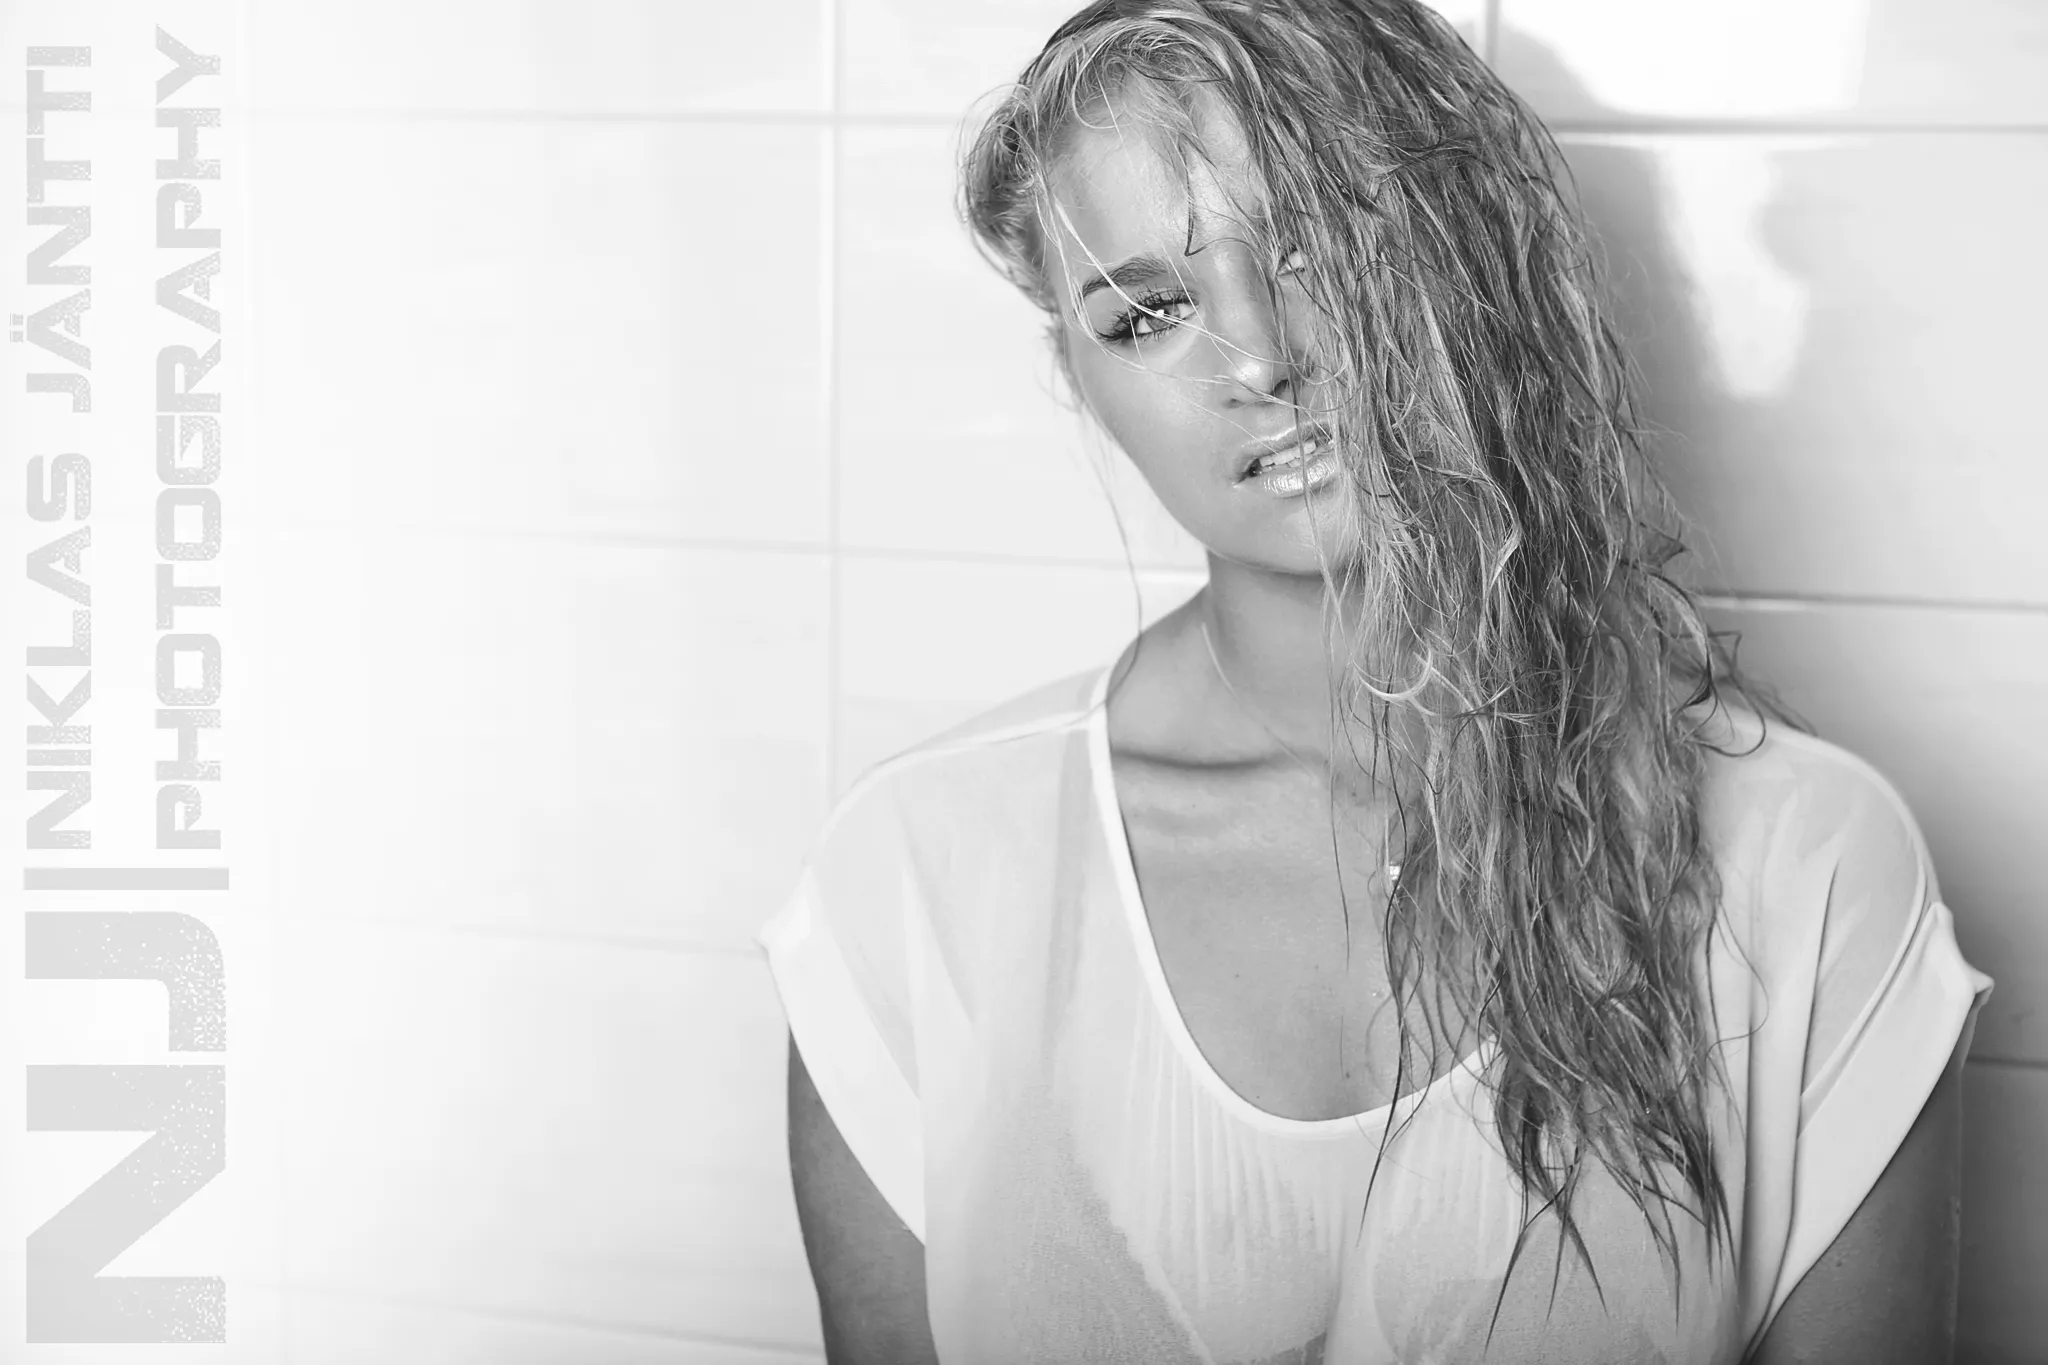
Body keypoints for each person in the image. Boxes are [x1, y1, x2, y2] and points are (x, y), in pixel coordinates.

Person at [755, 1, 1993, 1360]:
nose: (1259, 357)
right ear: (1081, 380)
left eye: (1315, 247)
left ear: (1462, 257)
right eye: (1147, 309)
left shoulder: (1804, 864)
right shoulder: (920, 877)